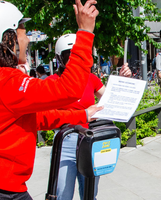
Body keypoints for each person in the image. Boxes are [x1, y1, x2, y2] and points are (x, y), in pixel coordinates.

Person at [0, 0, 101, 199]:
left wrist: (82, 114)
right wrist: (85, 32)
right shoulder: (3, 81)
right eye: (23, 32)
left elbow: (35, 118)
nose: (28, 40)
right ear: (5, 38)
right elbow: (69, 89)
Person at [47, 33, 131, 200]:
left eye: (78, 56)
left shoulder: (89, 79)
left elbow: (108, 100)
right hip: (65, 141)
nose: (74, 61)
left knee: (89, 194)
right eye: (68, 56)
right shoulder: (52, 81)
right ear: (59, 58)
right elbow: (46, 114)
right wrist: (80, 115)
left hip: (88, 140)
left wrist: (120, 80)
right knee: (62, 194)